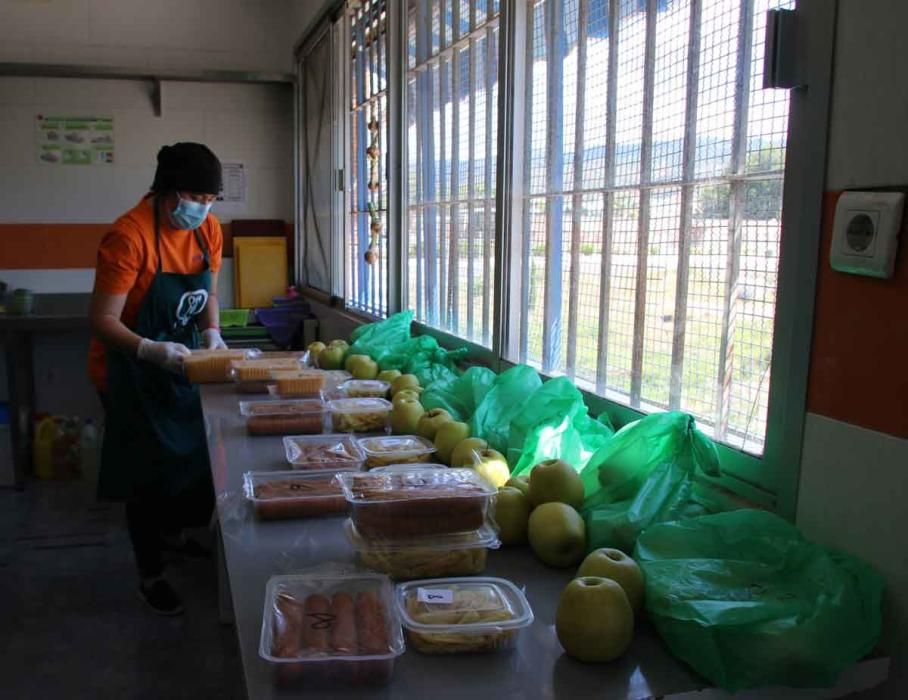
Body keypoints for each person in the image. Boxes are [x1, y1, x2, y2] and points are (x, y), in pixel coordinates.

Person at [88, 142, 227, 615]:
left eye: (211, 200)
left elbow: (207, 288)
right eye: (194, 197)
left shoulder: (208, 230)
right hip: (129, 369)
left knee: (186, 463)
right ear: (166, 191)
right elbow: (104, 319)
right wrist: (149, 348)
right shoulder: (129, 237)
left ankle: (174, 536)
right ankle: (151, 574)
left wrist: (212, 332)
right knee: (145, 476)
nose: (202, 209)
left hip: (179, 364)